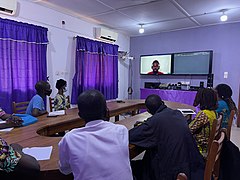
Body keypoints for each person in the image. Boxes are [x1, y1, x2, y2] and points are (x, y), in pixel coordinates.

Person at [58, 90, 133, 180]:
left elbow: (65, 170)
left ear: (80, 115)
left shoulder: (70, 139)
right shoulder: (121, 130)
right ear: (106, 111)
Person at [129, 94, 204, 180]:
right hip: (192, 167)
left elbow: (132, 135)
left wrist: (144, 125)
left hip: (171, 172)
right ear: (163, 103)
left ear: (148, 111)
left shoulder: (155, 121)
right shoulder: (178, 114)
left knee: (132, 167)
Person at [189, 88, 218, 157]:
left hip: (200, 148)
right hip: (207, 145)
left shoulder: (204, 114)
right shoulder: (214, 112)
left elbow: (188, 130)